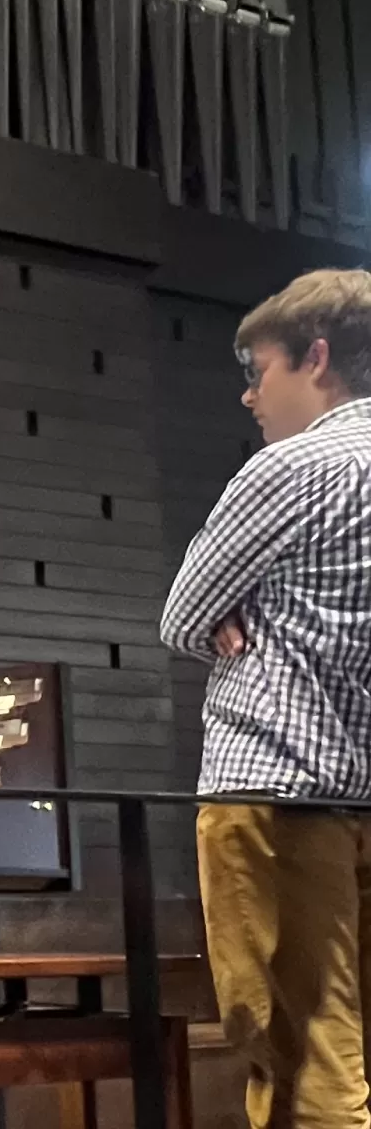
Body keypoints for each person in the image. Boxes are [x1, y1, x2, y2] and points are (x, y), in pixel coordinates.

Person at [160, 269, 371, 1129]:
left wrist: (230, 614)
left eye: (259, 368)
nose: (250, 394)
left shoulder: (291, 468)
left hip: (275, 794)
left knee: (301, 1057)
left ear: (316, 358)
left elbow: (180, 617)